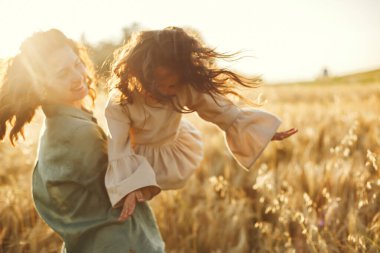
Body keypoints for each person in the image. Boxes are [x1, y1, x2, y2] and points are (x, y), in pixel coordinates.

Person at [105, 26, 298, 221]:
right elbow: (119, 147)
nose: (166, 91)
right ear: (138, 74)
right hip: (139, 156)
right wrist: (129, 187)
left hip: (173, 152)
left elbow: (222, 111)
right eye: (157, 83)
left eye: (173, 85)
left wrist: (261, 131)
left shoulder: (183, 89)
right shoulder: (120, 101)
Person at [0, 29, 165, 253]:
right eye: (62, 74)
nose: (78, 76)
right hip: (122, 244)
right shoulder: (78, 134)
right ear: (42, 86)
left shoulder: (56, 128)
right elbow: (126, 185)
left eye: (77, 64)